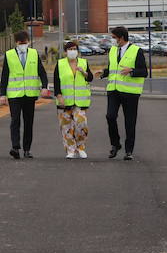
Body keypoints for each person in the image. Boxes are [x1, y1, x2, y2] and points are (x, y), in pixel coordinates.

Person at [0, 30, 48, 159]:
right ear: (16, 43)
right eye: (21, 43)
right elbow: (4, 76)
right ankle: (15, 147)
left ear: (28, 42)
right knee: (15, 121)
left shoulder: (33, 54)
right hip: (15, 95)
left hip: (30, 95)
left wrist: (44, 87)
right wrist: (2, 94)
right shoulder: (9, 55)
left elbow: (41, 72)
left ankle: (27, 149)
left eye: (25, 43)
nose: (23, 45)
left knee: (28, 122)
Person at [101, 25, 146, 160]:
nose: (114, 41)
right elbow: (112, 69)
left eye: (115, 38)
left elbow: (144, 71)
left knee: (130, 122)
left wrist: (131, 71)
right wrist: (103, 73)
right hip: (113, 90)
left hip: (130, 93)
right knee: (110, 116)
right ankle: (115, 144)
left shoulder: (137, 51)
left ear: (122, 38)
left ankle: (129, 151)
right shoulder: (113, 51)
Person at [53, 39, 94, 159]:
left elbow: (90, 78)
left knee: (81, 123)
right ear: (65, 52)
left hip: (80, 102)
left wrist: (84, 72)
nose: (72, 51)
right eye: (70, 49)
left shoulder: (83, 62)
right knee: (66, 127)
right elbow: (56, 81)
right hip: (64, 101)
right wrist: (58, 96)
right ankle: (70, 150)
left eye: (74, 49)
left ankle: (80, 147)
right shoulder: (60, 64)